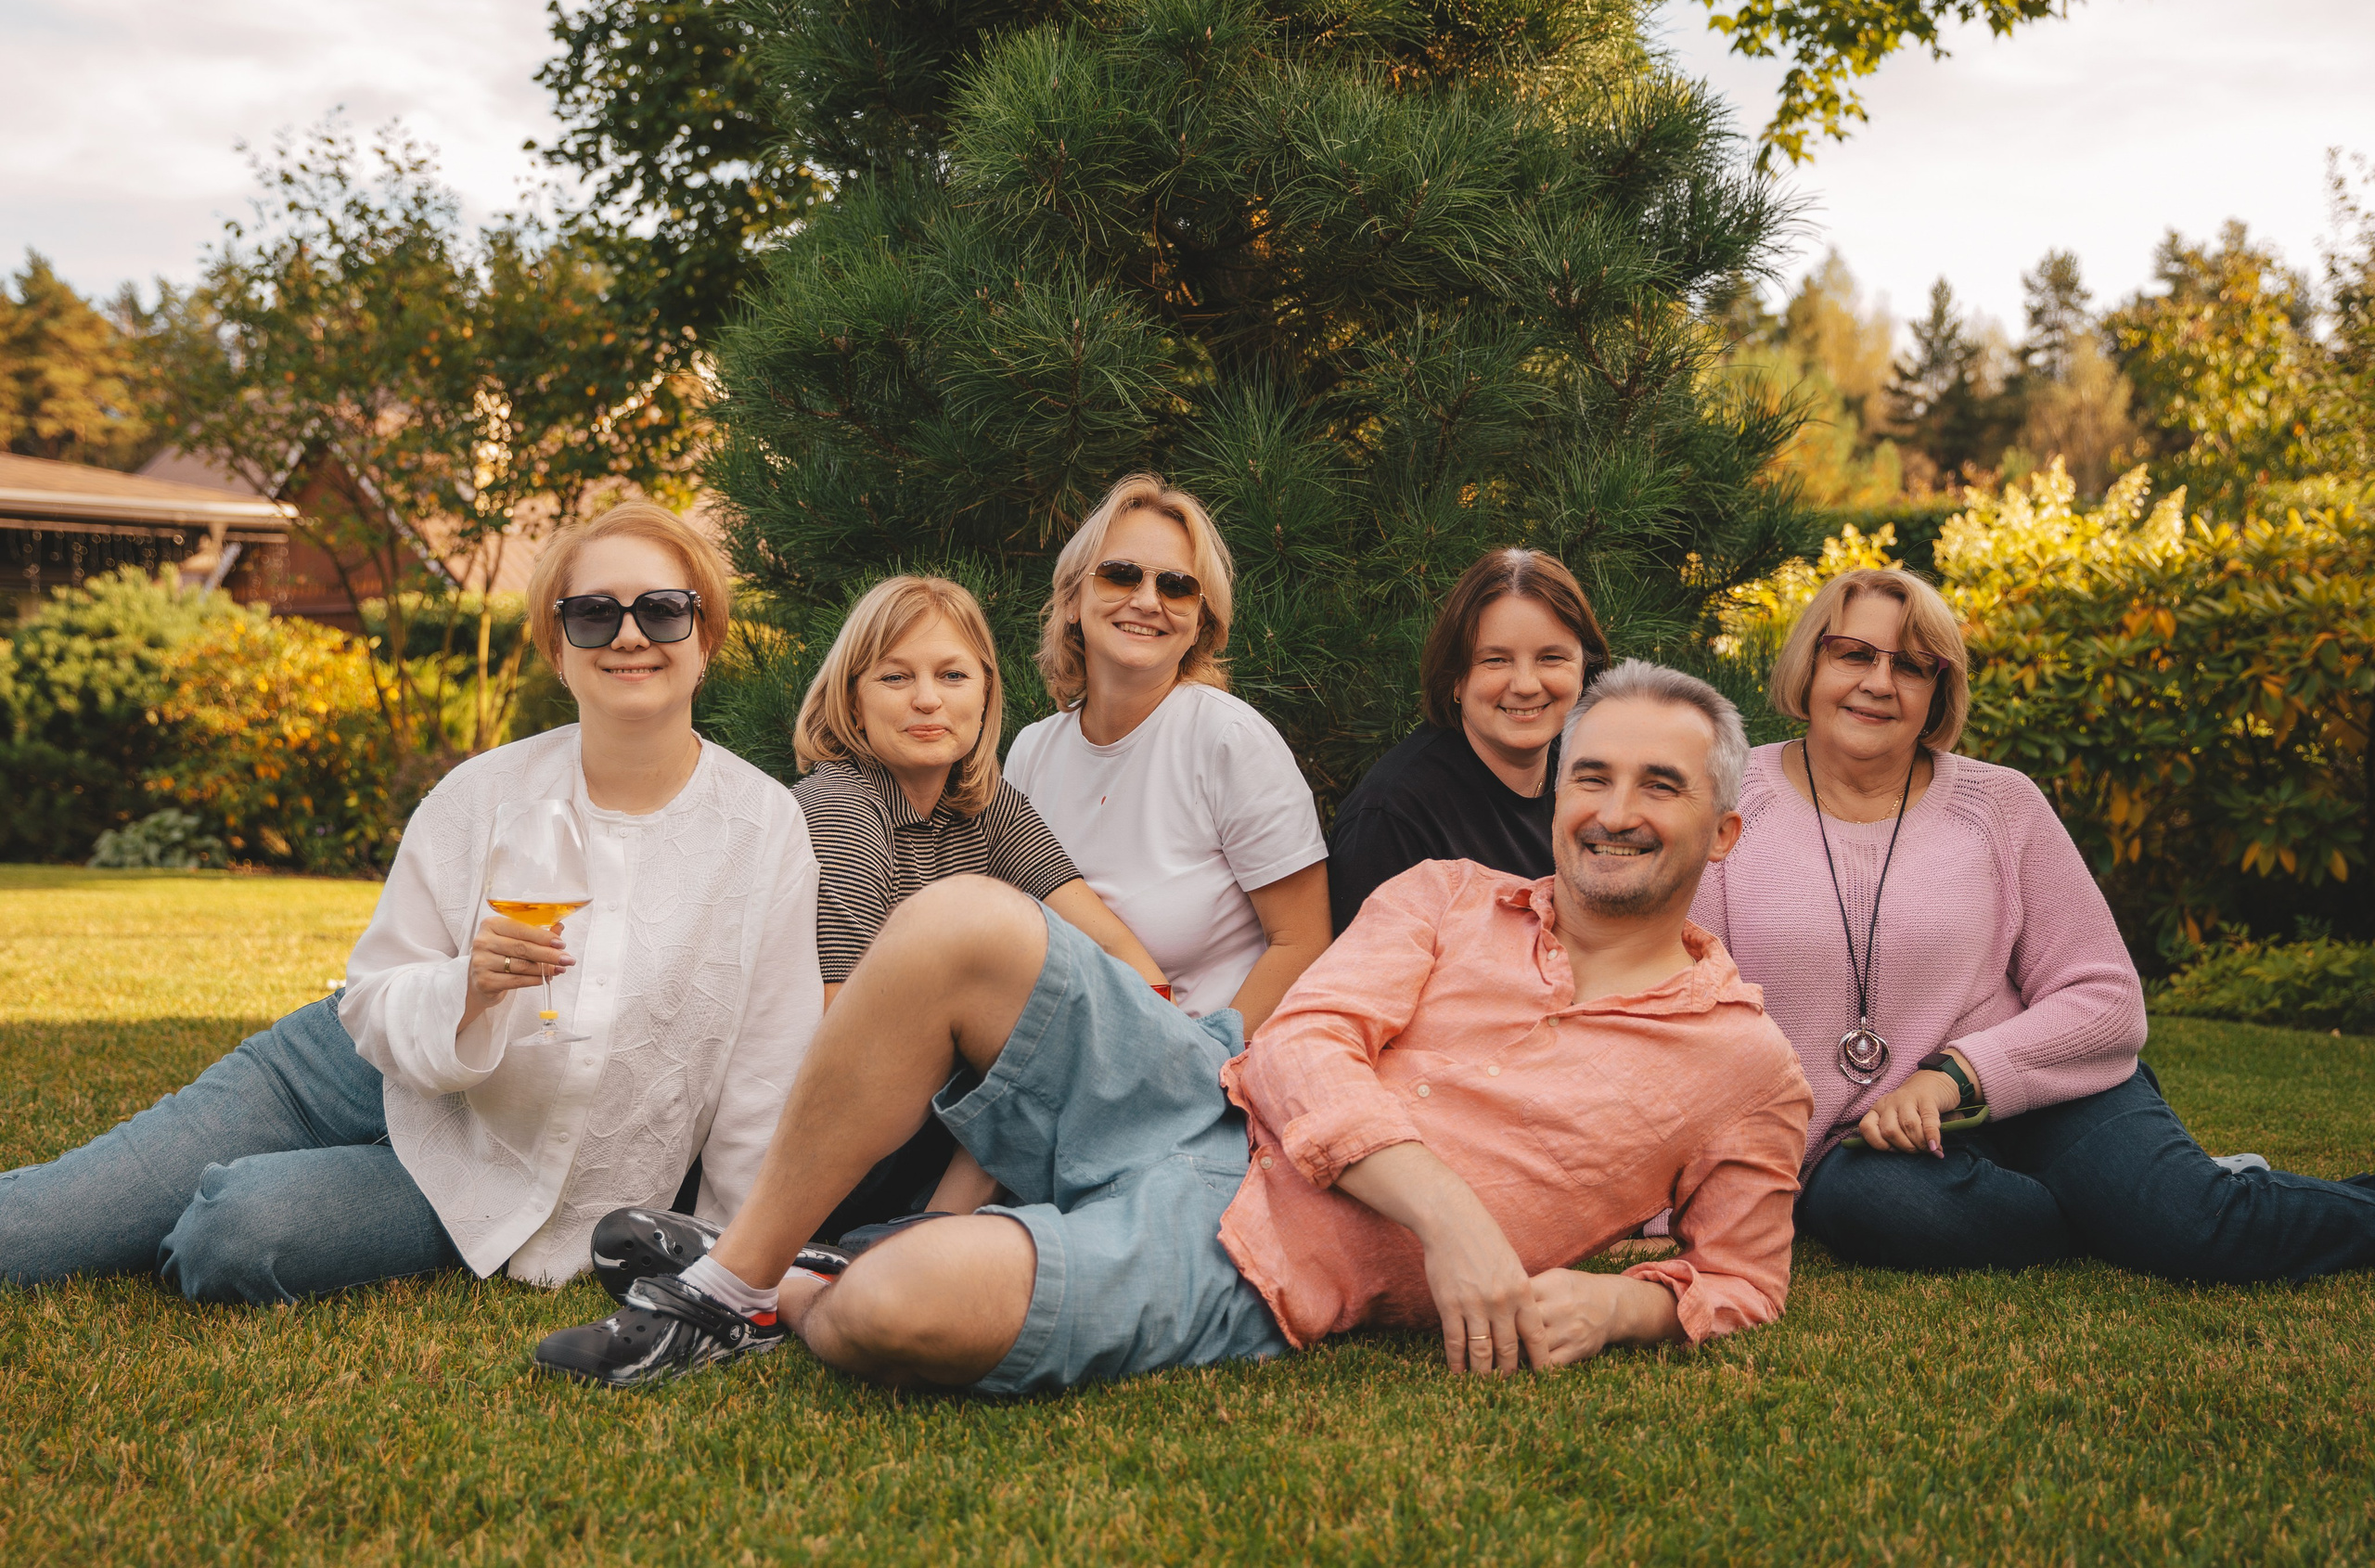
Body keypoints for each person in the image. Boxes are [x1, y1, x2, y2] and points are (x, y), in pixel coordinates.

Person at [532, 661, 1813, 1392]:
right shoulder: (1444, 897)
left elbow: (1744, 1277)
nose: (1615, 808)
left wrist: (1618, 1310)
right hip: (1198, 1089)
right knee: (966, 917)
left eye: (1660, 783)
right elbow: (1303, 1045)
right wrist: (1459, 1218)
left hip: (1271, 1256)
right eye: (1591, 773)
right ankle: (731, 1281)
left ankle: (804, 1281)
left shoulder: (1743, 1063)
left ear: (1724, 827)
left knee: (896, 1310)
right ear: (1558, 797)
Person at [0, 503, 824, 1304]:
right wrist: (470, 985)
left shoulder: (764, 827)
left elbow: (767, 1074)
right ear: (558, 649)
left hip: (503, 1158)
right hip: (345, 1068)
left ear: (705, 636)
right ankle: (120, 1216)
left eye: (663, 610)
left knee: (235, 1235)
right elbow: (378, 989)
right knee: (44, 1226)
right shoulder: (481, 793)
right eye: (593, 615)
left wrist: (731, 1265)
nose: (631, 635)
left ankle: (193, 1210)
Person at [1690, 567, 2375, 1280]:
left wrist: (1952, 1076)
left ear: (1937, 694)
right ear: (1811, 663)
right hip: (1860, 1143)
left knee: (2196, 1233)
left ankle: (2174, 1203)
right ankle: (2139, 1206)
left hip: (2042, 1092)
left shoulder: (2000, 805)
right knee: (1877, 1210)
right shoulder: (1732, 807)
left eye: (1914, 666)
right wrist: (1661, 1207)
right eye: (1854, 654)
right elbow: (1687, 1020)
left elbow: (2107, 995)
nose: (1879, 683)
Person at [594, 575, 1166, 1287]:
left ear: (985, 692)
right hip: (809, 1135)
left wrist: (1128, 1024)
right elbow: (846, 1033)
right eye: (896, 677)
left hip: (914, 1122)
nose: (928, 698)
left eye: (952, 675)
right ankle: (919, 1242)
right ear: (853, 698)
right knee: (1028, 1035)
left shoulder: (988, 808)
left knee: (1050, 1030)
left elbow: (1125, 956)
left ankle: (923, 1240)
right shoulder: (840, 805)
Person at [1002, 472, 1330, 1029]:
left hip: (1206, 1070)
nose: (1148, 601)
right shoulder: (1032, 753)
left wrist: (1205, 1068)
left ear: (1201, 620)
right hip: (1066, 1057)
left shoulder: (1228, 741)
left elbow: (1303, 943)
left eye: (1178, 586)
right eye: (1120, 575)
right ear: (1073, 600)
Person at [1327, 547, 1608, 933]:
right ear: (1456, 678)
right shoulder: (1392, 818)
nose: (1526, 685)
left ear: (1584, 670)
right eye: (1495, 660)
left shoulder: (1595, 778)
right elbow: (1363, 984)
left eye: (1551, 658)